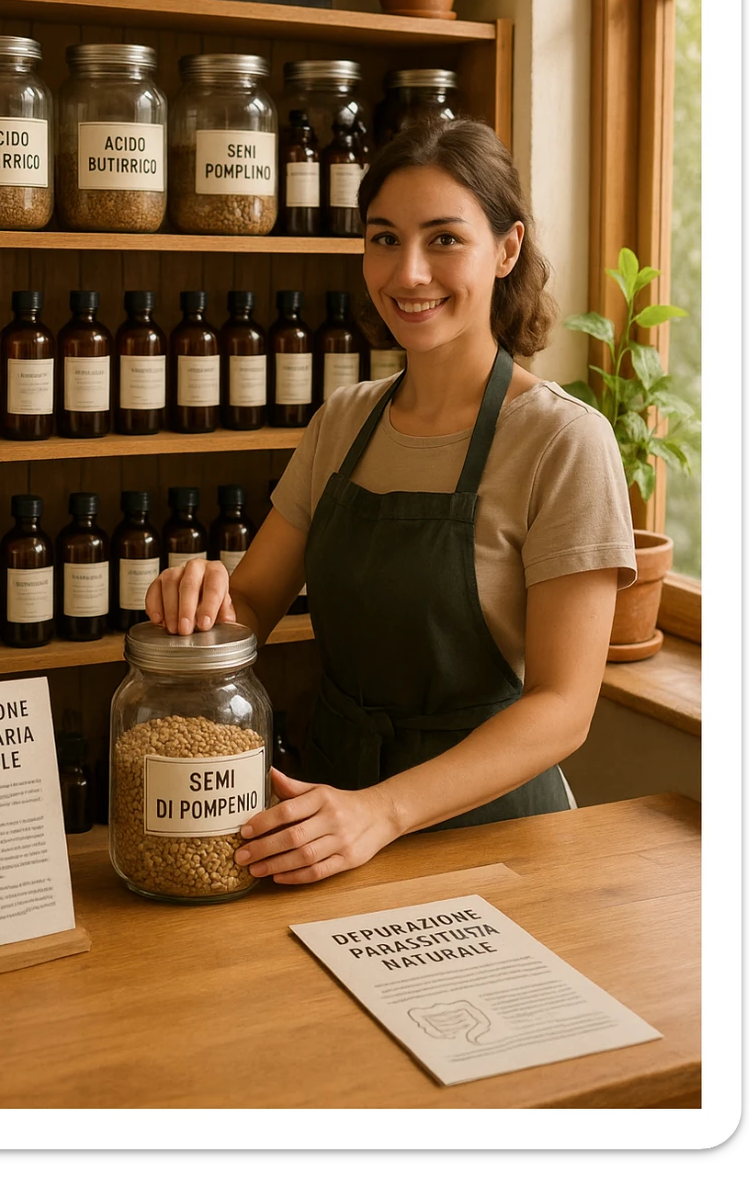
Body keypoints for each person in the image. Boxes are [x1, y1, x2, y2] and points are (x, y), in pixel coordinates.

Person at [146, 119, 637, 886]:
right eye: (383, 239)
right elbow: (251, 603)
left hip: (494, 835)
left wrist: (383, 812)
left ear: (507, 249)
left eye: (444, 239)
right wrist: (200, 598)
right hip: (326, 814)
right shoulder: (344, 419)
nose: (407, 274)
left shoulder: (563, 442)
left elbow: (563, 707)